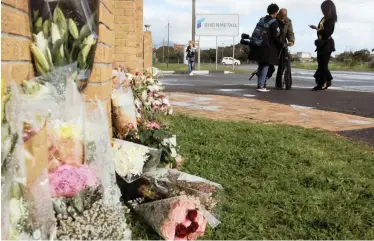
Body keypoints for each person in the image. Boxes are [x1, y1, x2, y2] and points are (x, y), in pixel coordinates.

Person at [248, 3, 285, 92]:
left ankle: (260, 84)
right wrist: (281, 43)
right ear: (275, 12)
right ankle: (261, 86)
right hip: (266, 46)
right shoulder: (274, 22)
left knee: (261, 65)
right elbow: (274, 37)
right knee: (265, 66)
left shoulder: (262, 19)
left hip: (258, 45)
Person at [309, 0, 337, 91]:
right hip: (321, 44)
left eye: (323, 8)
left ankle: (325, 82)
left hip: (327, 44)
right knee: (321, 64)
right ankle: (324, 82)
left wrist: (317, 29)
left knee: (323, 65)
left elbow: (327, 33)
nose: (322, 10)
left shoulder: (330, 20)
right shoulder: (324, 18)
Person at [275, 8, 295, 90]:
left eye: (284, 16)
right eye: (281, 16)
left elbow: (290, 32)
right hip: (274, 44)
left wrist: (291, 41)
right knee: (269, 66)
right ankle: (262, 82)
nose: (283, 18)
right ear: (278, 14)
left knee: (286, 64)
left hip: (283, 44)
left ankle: (287, 84)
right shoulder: (274, 19)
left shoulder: (288, 21)